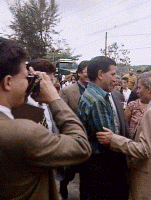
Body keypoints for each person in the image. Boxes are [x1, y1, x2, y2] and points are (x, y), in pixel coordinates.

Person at [0, 37, 92, 200]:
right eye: (26, 78)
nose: (29, 82)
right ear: (8, 82)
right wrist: (54, 98)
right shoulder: (22, 132)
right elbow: (80, 146)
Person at [96, 71, 151, 200]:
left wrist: (114, 139)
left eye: (139, 88)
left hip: (149, 181)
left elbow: (144, 150)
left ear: (149, 89)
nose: (137, 91)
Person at [77, 56, 130, 200]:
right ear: (100, 74)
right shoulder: (97, 100)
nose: (116, 79)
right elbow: (108, 140)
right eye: (112, 74)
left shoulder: (94, 94)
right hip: (102, 168)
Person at [58, 60, 90, 199]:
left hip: (90, 138)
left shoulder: (96, 90)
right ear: (78, 74)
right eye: (86, 72)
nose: (89, 75)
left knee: (87, 174)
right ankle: (63, 185)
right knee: (70, 171)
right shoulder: (67, 91)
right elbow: (60, 113)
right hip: (73, 136)